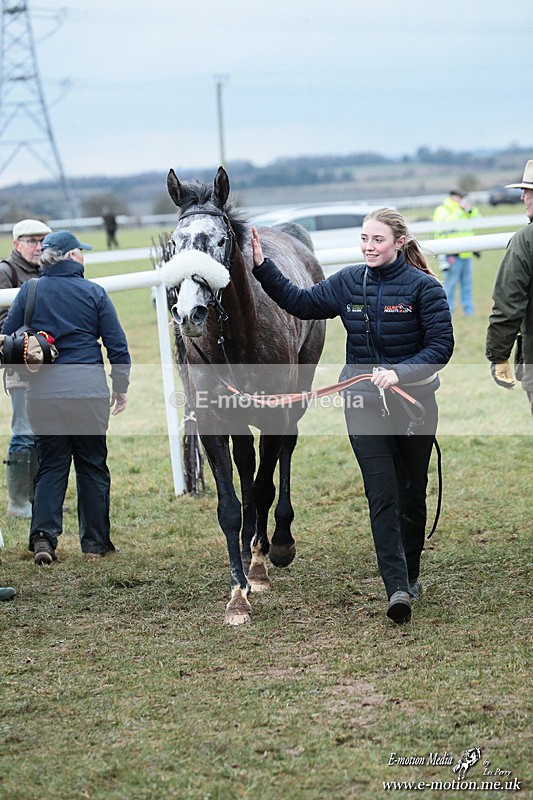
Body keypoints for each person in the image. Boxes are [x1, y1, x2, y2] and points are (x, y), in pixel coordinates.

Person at [251, 209, 454, 624]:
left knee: (412, 496)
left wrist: (399, 372)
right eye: (364, 239)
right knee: (382, 495)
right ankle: (396, 588)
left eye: (377, 240)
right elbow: (300, 302)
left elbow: (441, 348)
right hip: (362, 402)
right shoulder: (348, 282)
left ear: (399, 242)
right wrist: (261, 268)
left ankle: (411, 572)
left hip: (414, 405)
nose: (368, 247)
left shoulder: (424, 288)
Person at [1, 230, 131, 564]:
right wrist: (121, 386)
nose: (83, 257)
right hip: (88, 393)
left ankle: (43, 539)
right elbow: (117, 347)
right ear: (72, 256)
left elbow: (7, 338)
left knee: (51, 466)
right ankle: (96, 544)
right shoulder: (94, 293)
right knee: (92, 465)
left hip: (43, 395)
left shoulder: (30, 291)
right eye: (81, 252)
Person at [0, 218, 52, 518]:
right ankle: (18, 503)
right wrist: (32, 341)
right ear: (17, 244)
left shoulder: (47, 271)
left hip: (48, 364)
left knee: (44, 432)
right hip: (20, 364)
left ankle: (39, 496)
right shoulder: (6, 272)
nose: (38, 247)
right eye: (31, 241)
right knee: (23, 431)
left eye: (42, 241)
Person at [486, 159, 533, 415]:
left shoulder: (525, 241)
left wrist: (498, 355)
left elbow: (508, 305)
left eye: (528, 190)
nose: (523, 197)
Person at [432, 190, 481, 316]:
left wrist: (469, 210)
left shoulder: (464, 210)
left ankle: (469, 312)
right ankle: (448, 312)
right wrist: (460, 210)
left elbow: (478, 219)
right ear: (454, 197)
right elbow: (447, 225)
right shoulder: (443, 210)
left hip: (466, 253)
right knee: (450, 285)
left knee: (467, 284)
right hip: (451, 253)